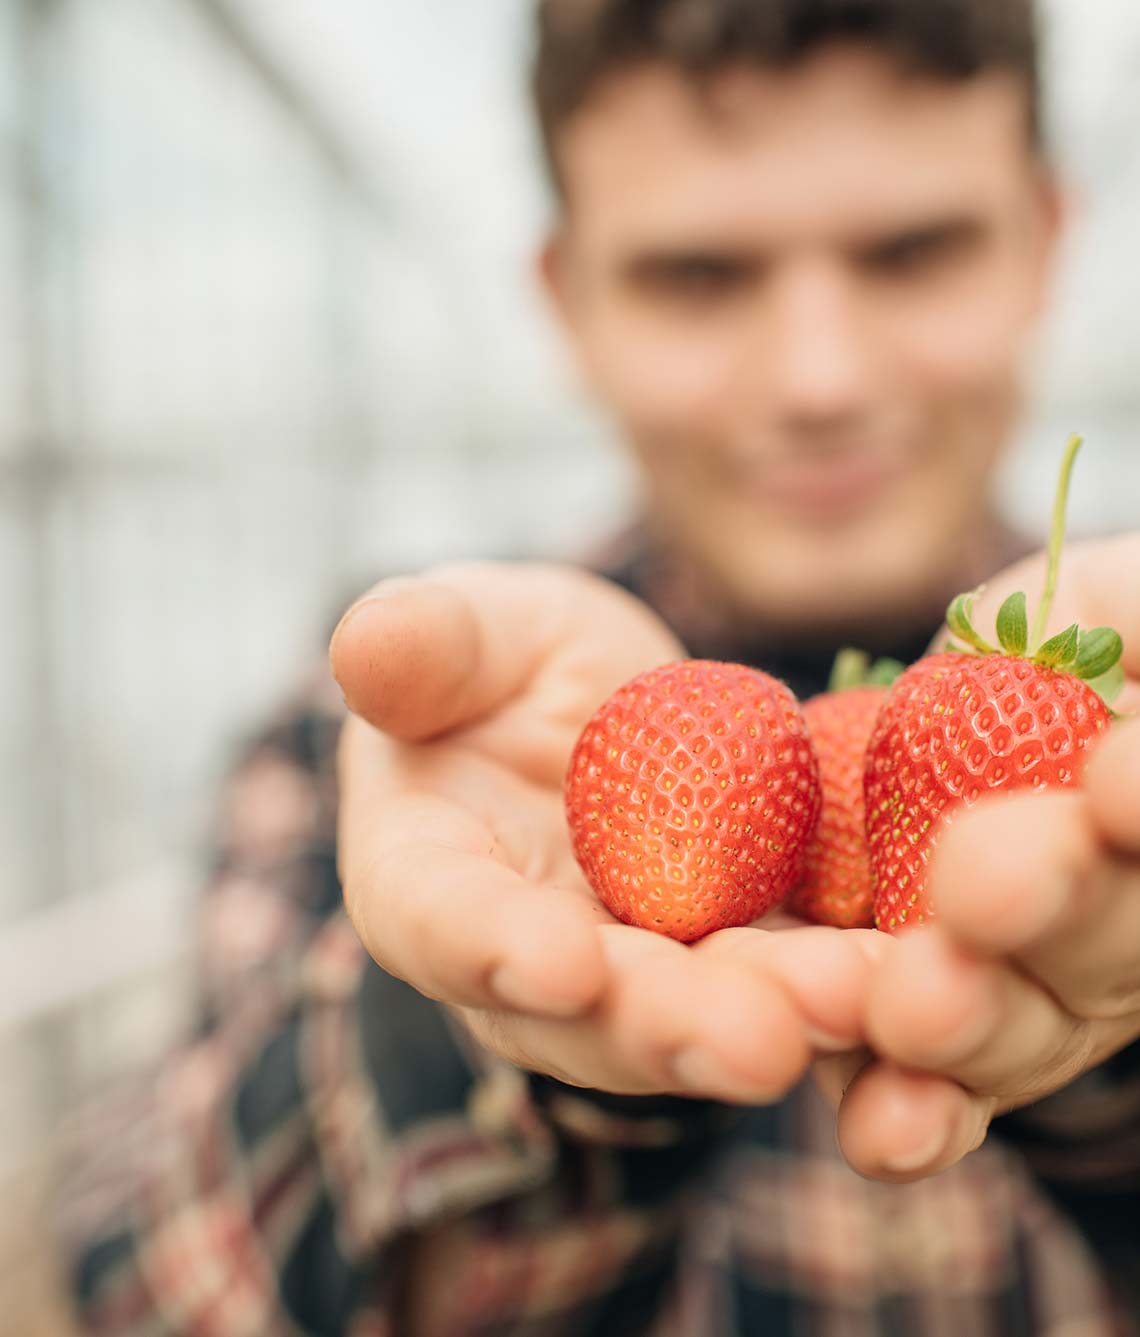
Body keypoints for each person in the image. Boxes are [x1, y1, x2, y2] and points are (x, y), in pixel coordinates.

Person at [62, 2, 1140, 1333]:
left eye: (912, 253)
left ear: (1045, 247)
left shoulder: (1119, 723)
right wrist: (470, 1035)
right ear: (568, 304)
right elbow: (148, 1284)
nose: (818, 375)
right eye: (699, 275)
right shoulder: (406, 744)